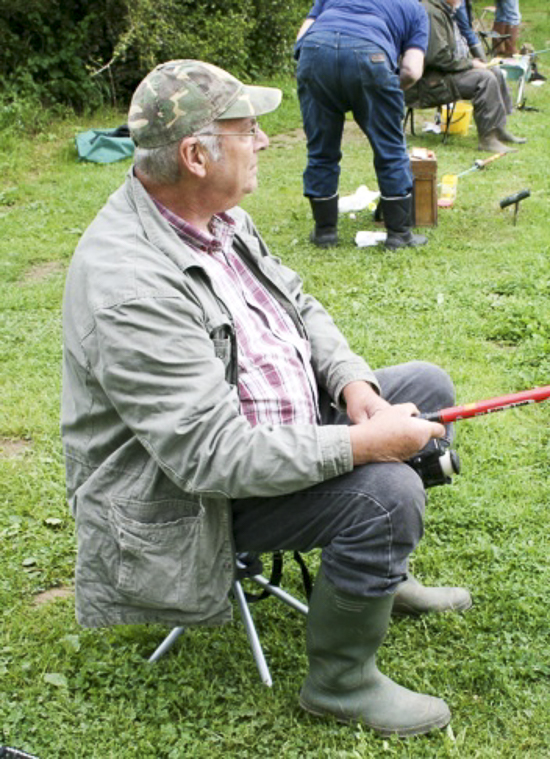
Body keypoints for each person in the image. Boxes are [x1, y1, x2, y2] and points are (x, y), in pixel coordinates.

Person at [61, 59, 468, 737]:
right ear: (195, 154)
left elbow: (299, 304)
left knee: (425, 387)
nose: (265, 139)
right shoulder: (128, 284)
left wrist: (353, 386)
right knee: (388, 491)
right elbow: (211, 457)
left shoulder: (217, 218)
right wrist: (363, 445)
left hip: (263, 435)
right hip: (195, 501)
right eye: (249, 128)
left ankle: (376, 574)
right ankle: (342, 679)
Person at [295, 0, 429, 250]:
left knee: (321, 148)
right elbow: (411, 70)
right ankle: (399, 235)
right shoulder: (415, 9)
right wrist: (382, 89)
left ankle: (325, 233)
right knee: (390, 149)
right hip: (371, 54)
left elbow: (302, 38)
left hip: (315, 50)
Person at [410, 0, 525, 153]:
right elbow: (437, 57)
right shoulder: (431, 12)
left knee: (495, 71)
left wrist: (471, 63)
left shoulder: (444, 9)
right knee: (485, 78)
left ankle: (498, 129)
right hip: (429, 83)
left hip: (444, 74)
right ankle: (487, 140)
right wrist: (470, 64)